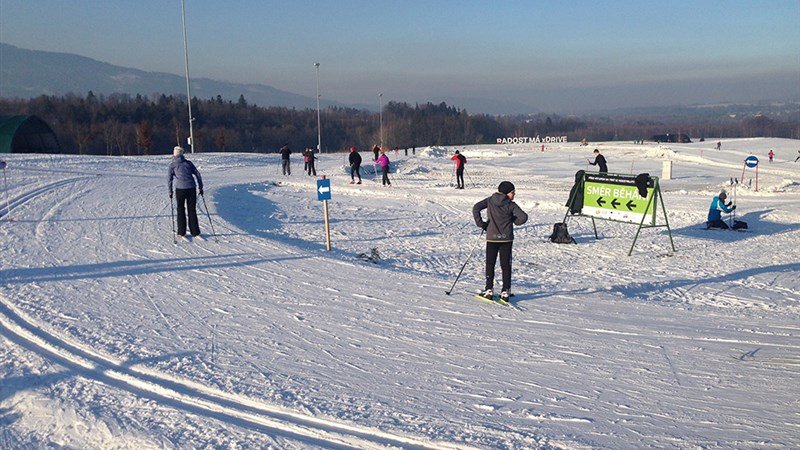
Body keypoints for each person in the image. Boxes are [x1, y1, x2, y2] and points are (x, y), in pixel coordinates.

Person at [472, 181, 528, 301]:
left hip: (492, 238)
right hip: (506, 239)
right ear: (507, 193)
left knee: (490, 264)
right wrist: (514, 220)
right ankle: (505, 291)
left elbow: (476, 208)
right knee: (505, 265)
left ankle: (489, 290)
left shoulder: (490, 200)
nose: (514, 194)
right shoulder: (511, 205)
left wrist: (481, 224)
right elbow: (523, 217)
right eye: (513, 192)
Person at [168, 146, 203, 239]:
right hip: (191, 188)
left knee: (180, 209)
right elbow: (197, 174)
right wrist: (201, 187)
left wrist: (170, 191)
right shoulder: (188, 163)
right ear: (182, 154)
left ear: (174, 154)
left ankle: (181, 232)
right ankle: (195, 232)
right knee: (192, 210)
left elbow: (169, 179)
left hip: (180, 189)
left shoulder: (172, 165)